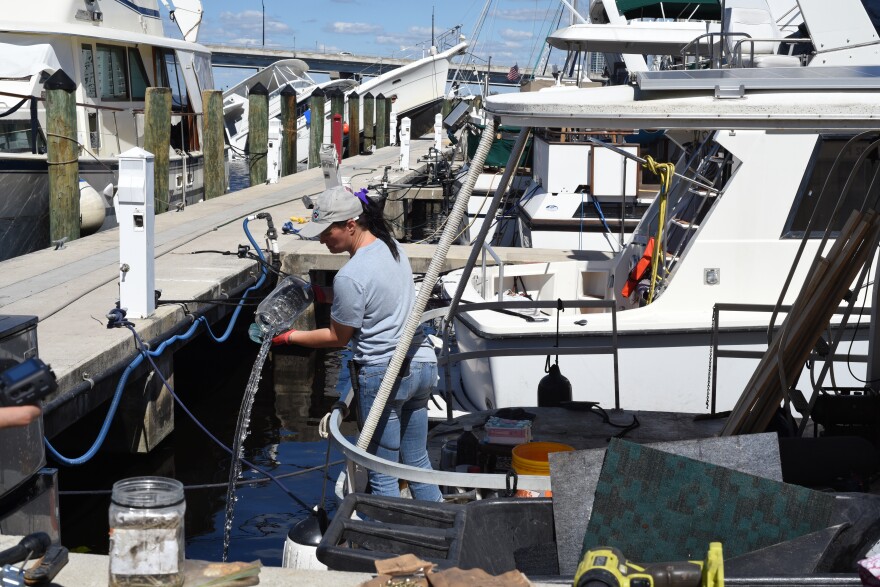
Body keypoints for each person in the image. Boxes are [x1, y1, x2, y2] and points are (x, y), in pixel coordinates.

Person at [273, 185, 442, 501]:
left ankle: (387, 540)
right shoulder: (393, 249)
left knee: (382, 470)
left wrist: (289, 337)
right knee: (418, 463)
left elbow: (338, 337)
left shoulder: (349, 275)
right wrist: (325, 296)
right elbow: (377, 297)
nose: (322, 240)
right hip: (422, 364)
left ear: (351, 225)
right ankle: (447, 530)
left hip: (385, 376)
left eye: (326, 232)